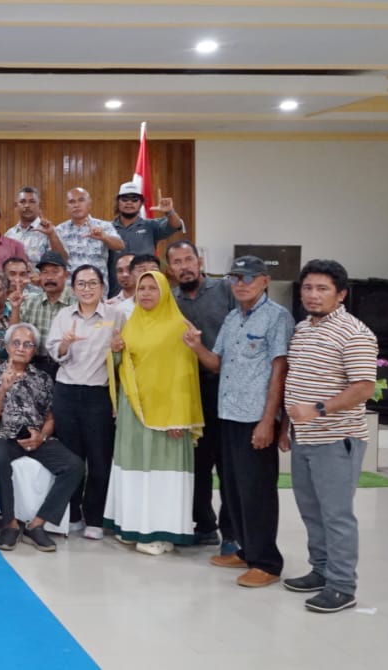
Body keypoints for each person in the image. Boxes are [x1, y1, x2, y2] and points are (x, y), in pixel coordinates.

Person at [184, 255, 293, 588]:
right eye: (235, 278)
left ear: (264, 281)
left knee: (257, 491)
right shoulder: (233, 318)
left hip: (254, 419)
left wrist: (268, 422)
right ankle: (246, 551)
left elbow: (280, 371)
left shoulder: (277, 318)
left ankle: (267, 563)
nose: (240, 284)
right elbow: (216, 364)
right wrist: (195, 345)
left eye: (247, 278)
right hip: (227, 415)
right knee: (233, 488)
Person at [281, 259, 378, 613]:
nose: (312, 295)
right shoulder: (304, 328)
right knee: (311, 510)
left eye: (322, 289)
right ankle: (320, 570)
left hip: (337, 439)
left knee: (336, 514)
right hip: (304, 437)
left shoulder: (355, 333)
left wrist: (318, 410)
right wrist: (288, 427)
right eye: (308, 287)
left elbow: (364, 387)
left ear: (341, 295)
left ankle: (342, 586)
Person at [103, 270, 202, 555]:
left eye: (152, 288)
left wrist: (179, 418)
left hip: (167, 416)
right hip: (135, 412)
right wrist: (116, 351)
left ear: (164, 292)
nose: (145, 293)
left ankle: (162, 532)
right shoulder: (133, 323)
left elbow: (185, 375)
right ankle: (134, 526)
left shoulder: (177, 326)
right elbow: (125, 366)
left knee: (161, 474)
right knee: (135, 470)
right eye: (141, 288)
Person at [0, 323, 85, 552]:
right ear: (7, 347)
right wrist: (2, 390)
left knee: (74, 466)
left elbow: (50, 417)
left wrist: (42, 436)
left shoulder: (44, 379)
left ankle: (37, 524)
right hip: (2, 435)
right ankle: (9, 523)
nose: (21, 348)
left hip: (35, 436)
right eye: (16, 343)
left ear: (34, 350)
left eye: (27, 344)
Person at [168, 240, 238, 552]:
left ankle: (233, 533)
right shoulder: (170, 300)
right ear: (170, 269)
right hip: (190, 391)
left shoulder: (225, 291)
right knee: (197, 464)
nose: (184, 267)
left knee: (229, 465)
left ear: (199, 261)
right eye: (177, 262)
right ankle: (205, 526)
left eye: (188, 259)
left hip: (229, 388)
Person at [46, 264, 123, 539]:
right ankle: (74, 514)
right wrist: (65, 344)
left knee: (100, 459)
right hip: (67, 393)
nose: (87, 289)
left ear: (103, 287)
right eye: (81, 284)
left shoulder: (116, 316)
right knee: (72, 458)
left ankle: (95, 517)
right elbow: (54, 352)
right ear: (73, 287)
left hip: (99, 395)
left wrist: (118, 349)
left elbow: (124, 355)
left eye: (93, 283)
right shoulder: (64, 316)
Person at [55, 188, 124, 295]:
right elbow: (56, 260)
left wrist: (104, 237)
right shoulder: (59, 230)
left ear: (89, 204)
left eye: (81, 200)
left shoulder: (103, 226)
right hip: (69, 294)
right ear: (66, 207)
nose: (76, 205)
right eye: (72, 202)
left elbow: (120, 245)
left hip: (97, 292)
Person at [17, 251, 75, 376]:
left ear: (66, 274)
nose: (49, 277)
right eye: (45, 272)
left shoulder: (76, 302)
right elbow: (14, 334)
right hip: (36, 366)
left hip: (69, 365)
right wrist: (15, 308)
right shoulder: (30, 302)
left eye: (55, 272)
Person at [112, 182, 184, 257]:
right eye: (124, 199)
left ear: (141, 203)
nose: (129, 202)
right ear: (118, 202)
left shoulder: (151, 225)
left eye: (134, 199)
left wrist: (170, 211)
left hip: (146, 269)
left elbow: (176, 225)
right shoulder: (108, 228)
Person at [5, 186, 66, 266]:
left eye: (32, 201)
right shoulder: (9, 235)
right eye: (23, 202)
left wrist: (51, 235)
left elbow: (63, 260)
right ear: (16, 206)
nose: (27, 205)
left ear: (40, 205)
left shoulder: (50, 231)